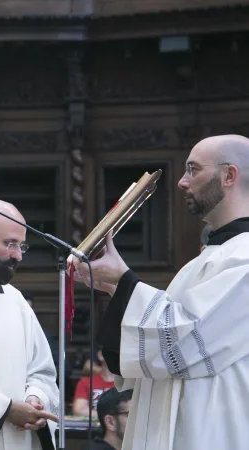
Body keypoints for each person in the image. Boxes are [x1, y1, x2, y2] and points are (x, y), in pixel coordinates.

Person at [73, 134, 249, 450]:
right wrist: (117, 290)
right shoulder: (198, 264)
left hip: (210, 432)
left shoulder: (245, 259)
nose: (182, 182)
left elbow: (186, 340)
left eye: (193, 170)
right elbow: (162, 345)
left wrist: (125, 283)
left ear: (229, 176)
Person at [0, 200, 59, 450]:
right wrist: (5, 410)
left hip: (21, 439)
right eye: (9, 244)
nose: (18, 256)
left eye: (21, 246)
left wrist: (35, 399)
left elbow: (42, 371)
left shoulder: (16, 301)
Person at [72, 350, 115, 418]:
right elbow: (79, 410)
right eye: (113, 350)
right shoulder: (85, 382)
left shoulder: (128, 383)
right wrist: (111, 416)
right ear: (100, 355)